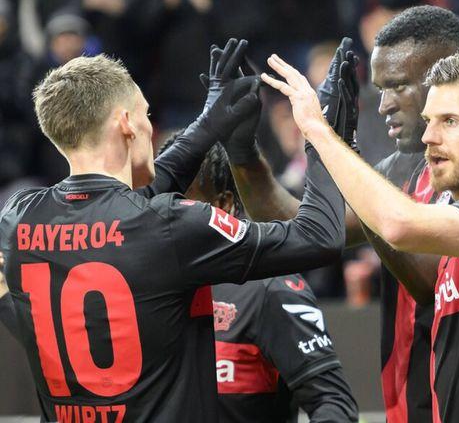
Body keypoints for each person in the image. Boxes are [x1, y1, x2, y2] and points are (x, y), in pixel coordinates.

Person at [222, 6, 459, 422]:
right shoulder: (396, 172)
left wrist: (327, 141)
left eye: (398, 86)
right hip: (417, 398)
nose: (383, 105)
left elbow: (424, 266)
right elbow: (304, 226)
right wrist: (243, 153)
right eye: (380, 89)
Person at [0, 38, 345, 422]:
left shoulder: (17, 219)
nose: (151, 126)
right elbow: (319, 237)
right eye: (145, 114)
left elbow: (124, 208)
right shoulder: (167, 225)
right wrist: (323, 139)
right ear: (126, 123)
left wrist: (209, 123)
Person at [158, 131, 358, 422]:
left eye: (181, 206)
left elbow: (333, 403)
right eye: (162, 205)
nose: (168, 217)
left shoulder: (271, 288)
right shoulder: (147, 283)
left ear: (223, 205)